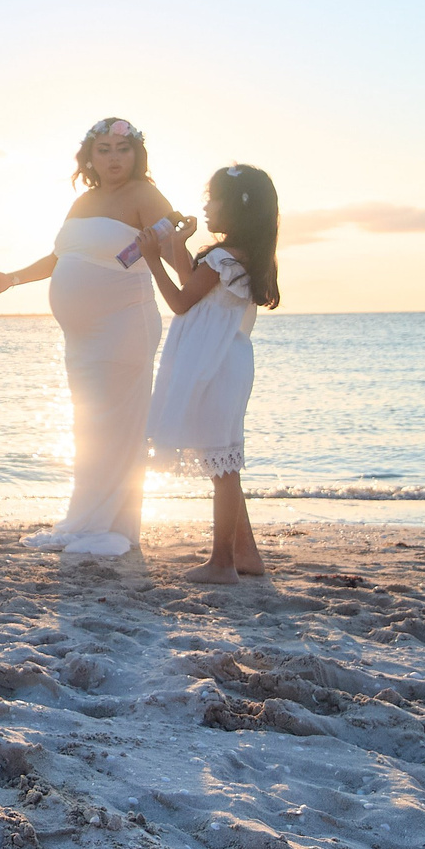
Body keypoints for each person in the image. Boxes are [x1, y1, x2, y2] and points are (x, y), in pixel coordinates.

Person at [0, 119, 176, 556]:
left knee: (115, 427)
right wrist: (9, 279)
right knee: (89, 426)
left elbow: (174, 253)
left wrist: (184, 242)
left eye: (123, 148)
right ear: (90, 156)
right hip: (82, 339)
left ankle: (104, 525)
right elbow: (59, 257)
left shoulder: (144, 195)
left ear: (136, 153)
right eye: (104, 149)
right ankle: (99, 522)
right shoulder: (84, 200)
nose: (114, 158)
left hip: (125, 326)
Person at [138, 164, 281, 583]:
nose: (206, 204)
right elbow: (194, 286)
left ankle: (222, 563)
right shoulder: (241, 257)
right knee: (222, 458)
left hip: (213, 365)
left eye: (213, 197)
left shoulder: (222, 257)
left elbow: (181, 302)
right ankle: (246, 554)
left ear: (237, 207)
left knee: (223, 465)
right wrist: (178, 246)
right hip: (225, 360)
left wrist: (152, 258)